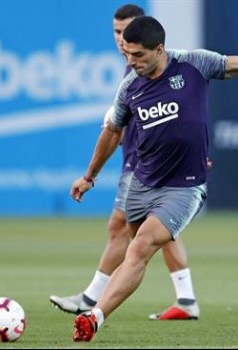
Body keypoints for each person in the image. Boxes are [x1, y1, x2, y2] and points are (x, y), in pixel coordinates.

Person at [69, 15, 238, 342]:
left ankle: (94, 316)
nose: (130, 62)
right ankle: (183, 299)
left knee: (141, 247)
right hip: (142, 184)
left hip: (184, 186)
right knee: (140, 249)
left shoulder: (194, 64)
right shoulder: (130, 87)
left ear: (159, 49)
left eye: (137, 55)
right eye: (126, 55)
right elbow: (112, 132)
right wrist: (89, 176)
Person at [49, 4, 201, 322]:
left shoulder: (157, 64)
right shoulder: (132, 68)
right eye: (116, 33)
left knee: (123, 229)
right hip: (139, 160)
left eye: (126, 32)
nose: (122, 40)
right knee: (155, 231)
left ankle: (91, 298)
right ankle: (186, 299)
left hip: (143, 165)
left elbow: (180, 111)